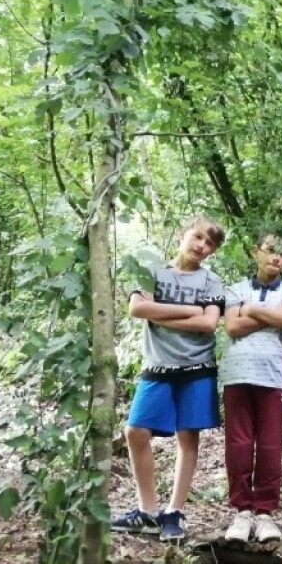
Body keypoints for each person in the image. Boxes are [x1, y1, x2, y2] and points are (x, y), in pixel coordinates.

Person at [112, 216, 227, 543]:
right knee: (136, 431)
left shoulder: (211, 281)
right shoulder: (154, 272)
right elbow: (136, 309)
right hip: (158, 366)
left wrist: (160, 309)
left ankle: (174, 511)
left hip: (196, 367)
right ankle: (147, 511)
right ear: (184, 234)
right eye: (199, 238)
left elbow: (209, 325)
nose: (202, 247)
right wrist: (190, 311)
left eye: (210, 245)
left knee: (187, 437)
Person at [220, 227, 282, 544]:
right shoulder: (235, 288)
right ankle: (242, 511)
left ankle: (265, 512)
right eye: (270, 250)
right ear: (256, 251)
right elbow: (232, 326)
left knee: (271, 444)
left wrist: (252, 309)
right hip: (237, 374)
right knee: (239, 443)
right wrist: (270, 313)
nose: (275, 257)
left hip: (274, 375)